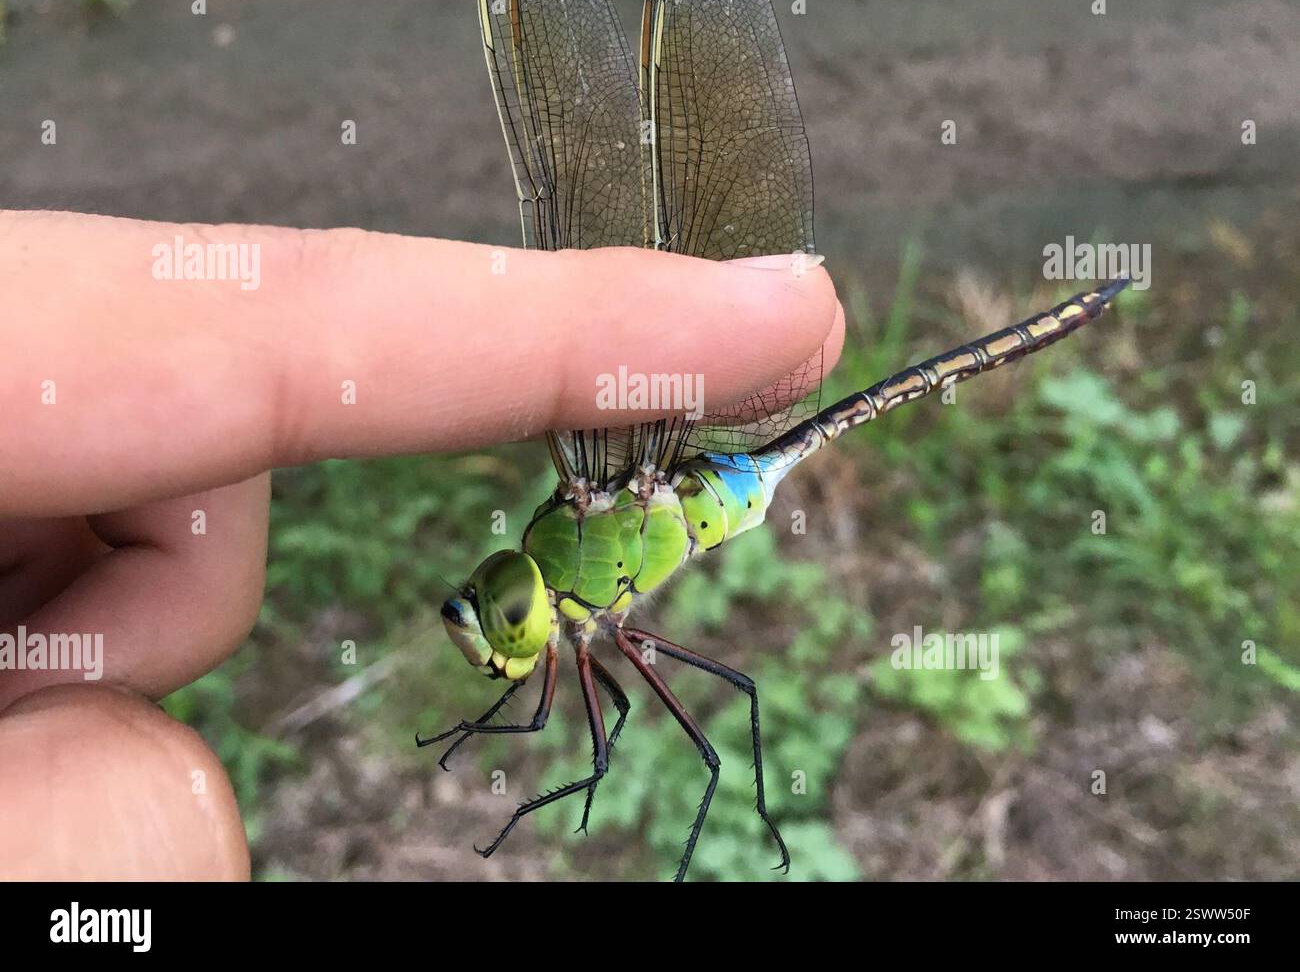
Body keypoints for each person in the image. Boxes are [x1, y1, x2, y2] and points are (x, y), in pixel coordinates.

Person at [0, 209, 842, 879]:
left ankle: (750, 823)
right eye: (494, 611)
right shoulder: (569, 604)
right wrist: (482, 733)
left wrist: (497, 763)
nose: (496, 633)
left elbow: (555, 713)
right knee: (603, 729)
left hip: (704, 488)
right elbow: (556, 715)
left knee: (715, 730)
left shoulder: (570, 596)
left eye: (497, 616)